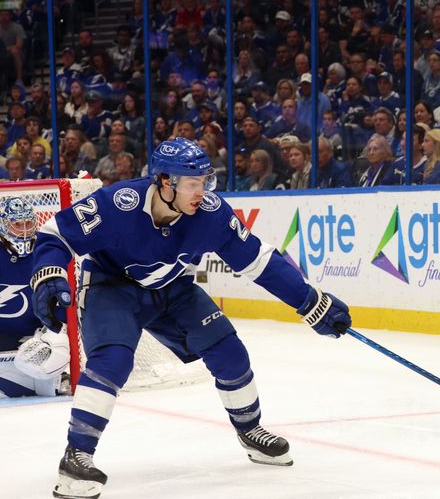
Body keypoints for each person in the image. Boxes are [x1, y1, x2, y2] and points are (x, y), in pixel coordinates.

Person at [30, 138, 352, 498]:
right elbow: (56, 233)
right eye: (192, 184)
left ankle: (250, 431)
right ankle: (77, 456)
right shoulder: (119, 204)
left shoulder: (212, 214)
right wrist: (49, 272)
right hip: (112, 286)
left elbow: (259, 261)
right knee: (113, 361)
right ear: (165, 182)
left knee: (230, 352)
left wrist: (309, 300)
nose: (203, 191)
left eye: (206, 181)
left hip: (173, 289)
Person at [0, 198, 69, 398]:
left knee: (55, 355)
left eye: (28, 224)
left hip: (39, 332)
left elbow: (61, 300)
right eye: (17, 225)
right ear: (4, 225)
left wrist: (56, 331)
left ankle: (56, 379)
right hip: (4, 334)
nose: (24, 231)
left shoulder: (46, 251)